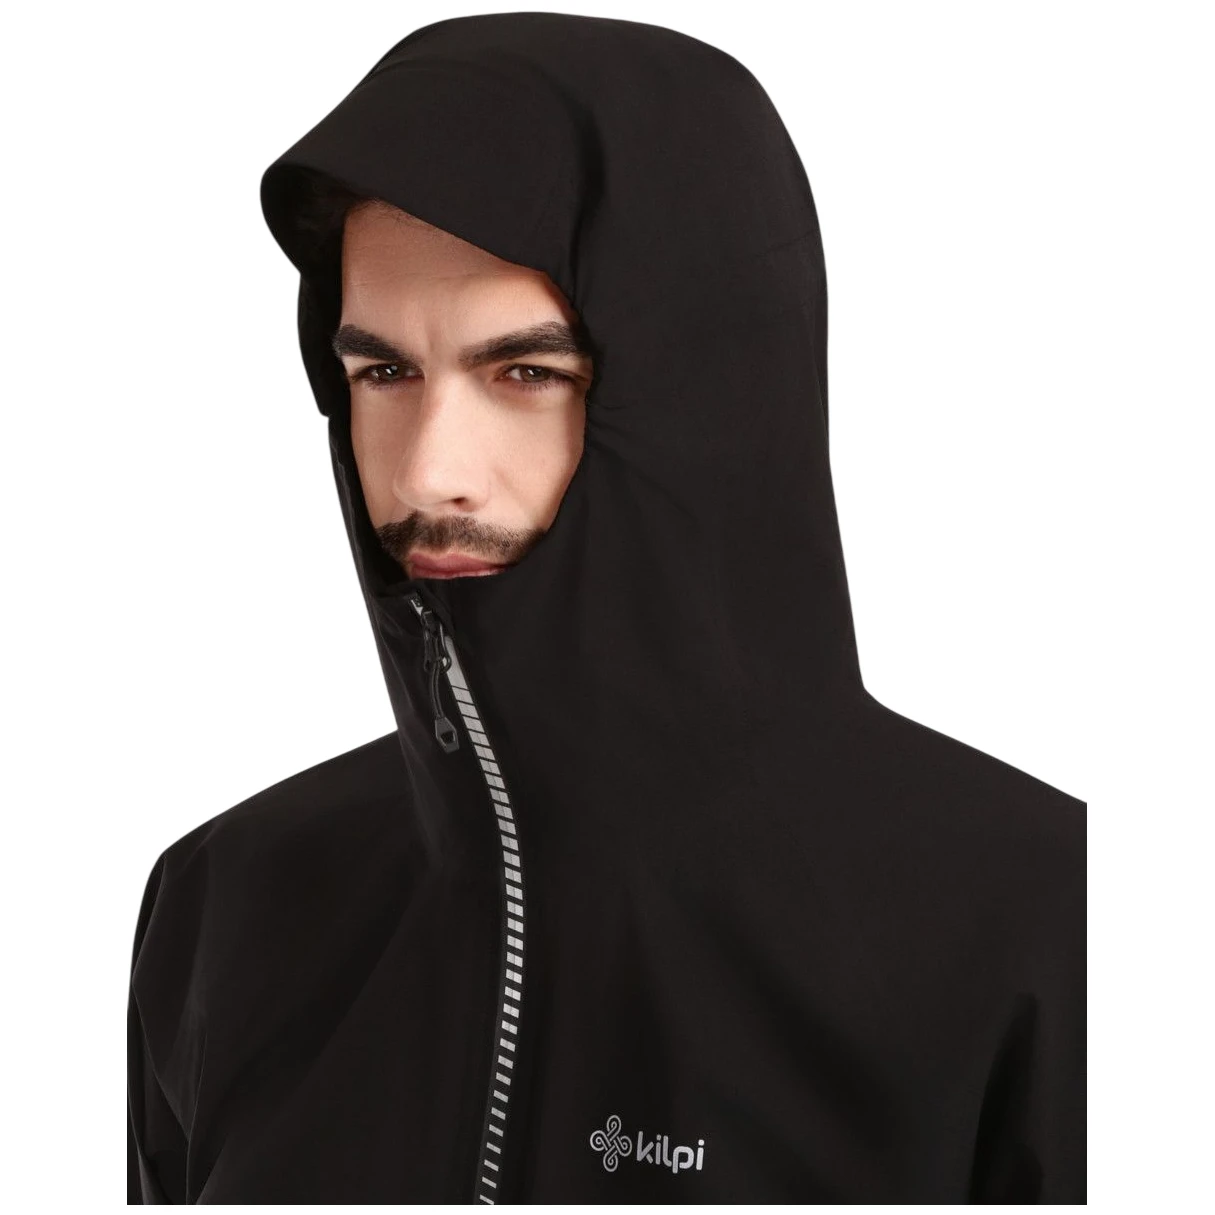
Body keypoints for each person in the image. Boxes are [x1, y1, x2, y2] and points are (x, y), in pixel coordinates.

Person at [127, 12, 1086, 1205]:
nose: (429, 472)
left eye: (527, 372)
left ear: (708, 393)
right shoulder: (227, 906)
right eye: (384, 372)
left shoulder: (1050, 926)